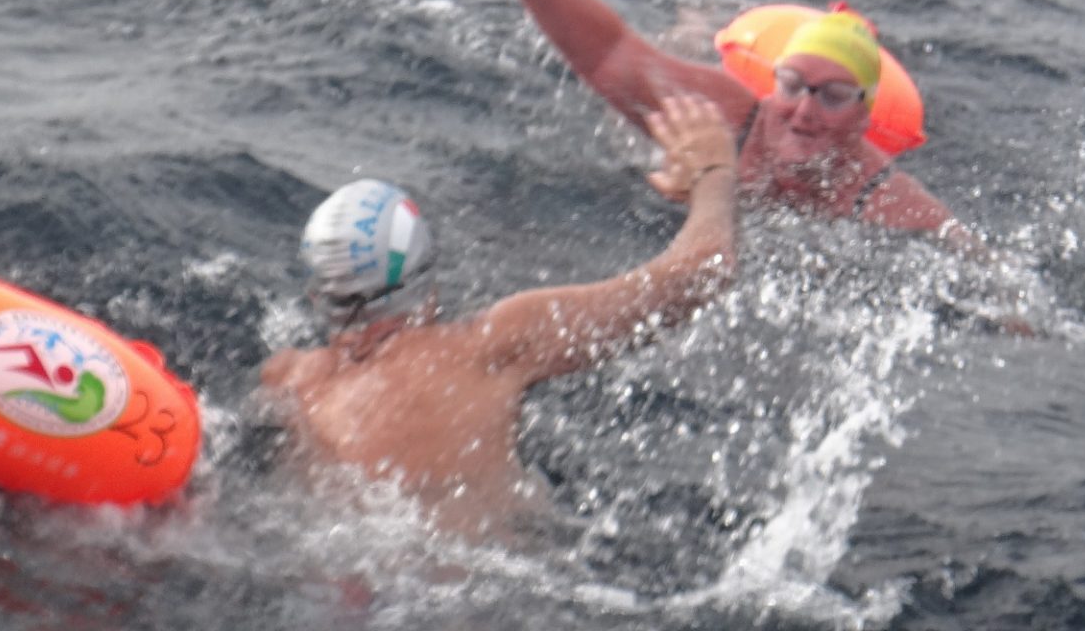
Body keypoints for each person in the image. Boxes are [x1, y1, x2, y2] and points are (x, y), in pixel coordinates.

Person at [259, 95, 738, 541]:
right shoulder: (489, 347)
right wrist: (715, 172)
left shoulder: (289, 380)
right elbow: (701, 270)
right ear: (424, 274)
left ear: (318, 290)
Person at [471, 0, 971, 244]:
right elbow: (609, 55)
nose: (804, 111)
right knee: (671, 54)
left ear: (864, 117)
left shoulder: (885, 201)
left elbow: (991, 276)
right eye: (793, 85)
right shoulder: (730, 118)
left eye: (833, 96)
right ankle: (700, 22)